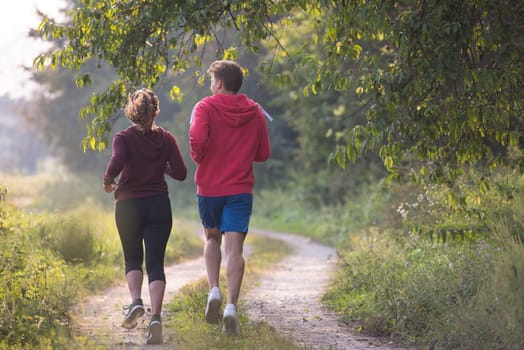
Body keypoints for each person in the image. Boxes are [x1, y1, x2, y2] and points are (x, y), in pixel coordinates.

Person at [189, 60, 271, 336]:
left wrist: (201, 158)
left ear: (220, 83)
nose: (211, 86)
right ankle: (231, 308)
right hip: (240, 190)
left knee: (212, 239)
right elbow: (263, 154)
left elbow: (197, 140)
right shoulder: (255, 111)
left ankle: (214, 290)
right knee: (235, 250)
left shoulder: (205, 106)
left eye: (212, 81)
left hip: (210, 187)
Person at [103, 88, 187, 345]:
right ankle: (156, 319)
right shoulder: (167, 139)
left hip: (128, 205)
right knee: (155, 264)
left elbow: (117, 161)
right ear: (156, 111)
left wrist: (108, 180)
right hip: (158, 205)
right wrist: (163, 166)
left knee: (132, 258)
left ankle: (136, 302)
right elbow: (181, 173)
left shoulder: (123, 137)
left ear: (132, 112)